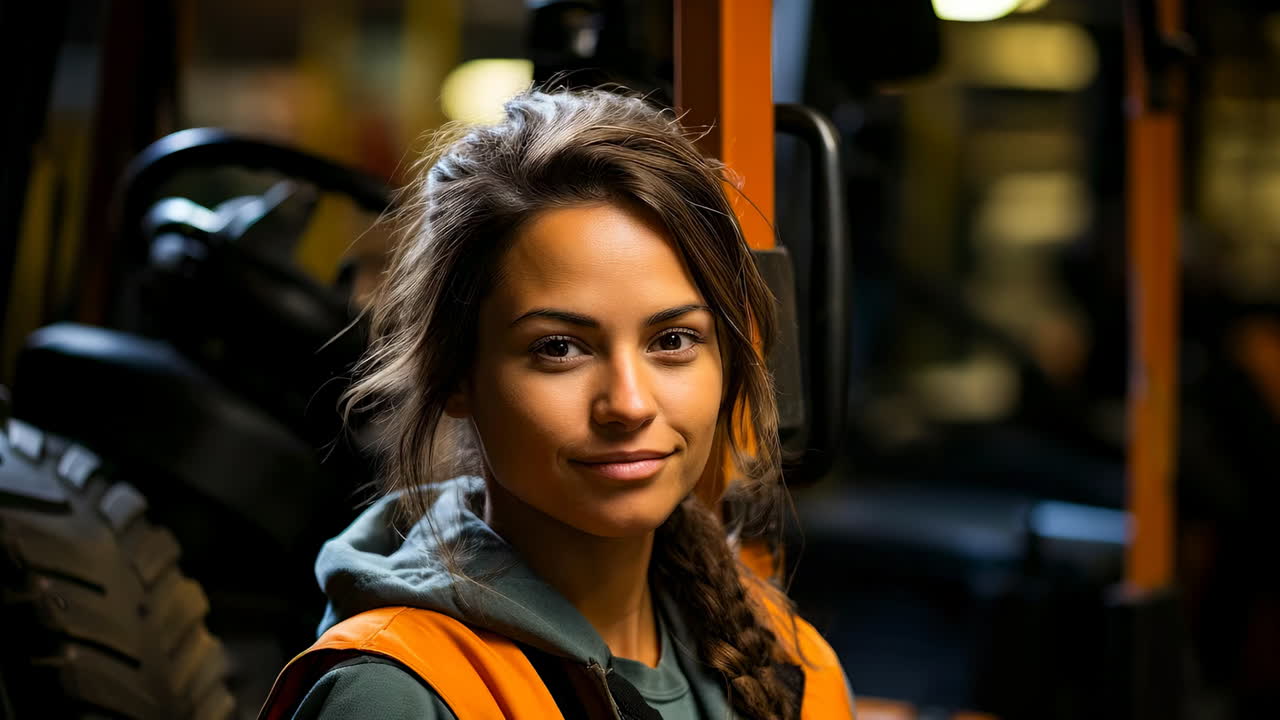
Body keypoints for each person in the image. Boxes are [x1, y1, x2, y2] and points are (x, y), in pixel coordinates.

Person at [260, 88, 855, 720]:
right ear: (455, 374)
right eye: (559, 348)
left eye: (674, 340)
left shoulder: (792, 668)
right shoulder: (397, 696)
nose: (628, 404)